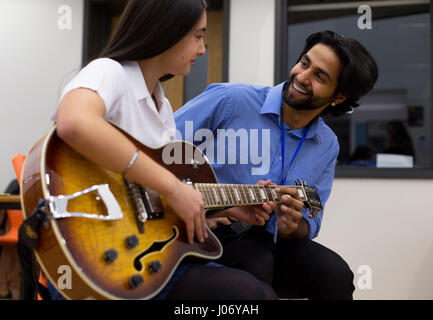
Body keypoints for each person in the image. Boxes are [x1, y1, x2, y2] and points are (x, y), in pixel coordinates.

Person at [48, 0, 277, 300]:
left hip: (147, 258)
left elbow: (151, 200)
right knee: (251, 296)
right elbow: (74, 122)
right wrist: (172, 186)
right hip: (97, 260)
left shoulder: (163, 107)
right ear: (165, 30)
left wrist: (225, 207)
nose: (202, 49)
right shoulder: (109, 72)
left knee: (258, 289)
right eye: (197, 36)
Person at [175, 30, 378, 299]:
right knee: (256, 263)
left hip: (272, 240)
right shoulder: (230, 100)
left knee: (337, 274)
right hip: (209, 231)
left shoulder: (327, 145)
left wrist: (293, 225)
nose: (302, 77)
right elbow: (156, 147)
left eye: (320, 76)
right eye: (304, 63)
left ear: (339, 96)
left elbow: (310, 221)